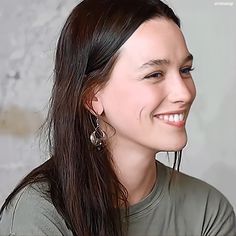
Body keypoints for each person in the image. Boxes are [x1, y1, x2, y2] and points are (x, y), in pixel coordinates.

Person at [0, 0, 235, 235]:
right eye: (155, 74)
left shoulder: (209, 212)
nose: (184, 93)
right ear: (92, 97)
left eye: (185, 70)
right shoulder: (38, 214)